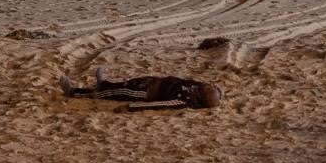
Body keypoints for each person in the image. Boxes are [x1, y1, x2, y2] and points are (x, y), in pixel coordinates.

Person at [59, 68, 224, 111]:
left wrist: (131, 107)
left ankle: (74, 92)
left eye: (210, 88)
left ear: (203, 95)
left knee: (114, 93)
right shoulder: (195, 86)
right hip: (150, 82)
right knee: (121, 86)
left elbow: (161, 105)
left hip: (144, 94)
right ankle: (105, 82)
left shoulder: (185, 99)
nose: (209, 84)